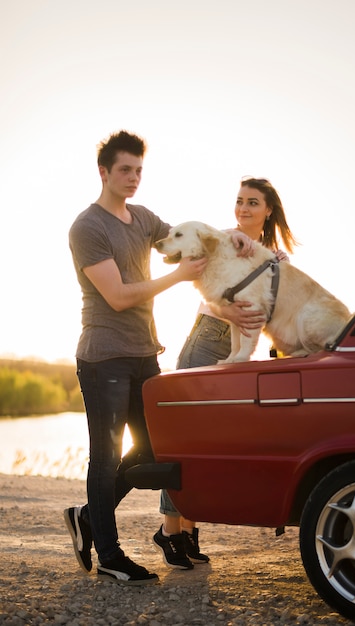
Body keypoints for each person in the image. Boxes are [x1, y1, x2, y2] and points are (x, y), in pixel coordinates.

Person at [64, 130, 253, 586]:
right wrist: (178, 278)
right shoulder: (87, 227)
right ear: (104, 173)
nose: (133, 178)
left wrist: (230, 237)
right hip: (105, 357)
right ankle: (109, 554)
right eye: (125, 170)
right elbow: (118, 296)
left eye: (138, 171)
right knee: (106, 459)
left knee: (153, 450)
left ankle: (89, 516)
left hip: (145, 354)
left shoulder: (142, 218)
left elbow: (185, 241)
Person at [153, 176, 298, 569]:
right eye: (239, 201)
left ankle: (189, 529)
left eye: (253, 202)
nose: (244, 208)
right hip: (208, 338)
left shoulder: (276, 257)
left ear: (268, 210)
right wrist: (228, 309)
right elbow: (204, 290)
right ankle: (170, 530)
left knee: (209, 442)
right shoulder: (218, 239)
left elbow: (276, 310)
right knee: (184, 439)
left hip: (242, 349)